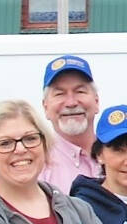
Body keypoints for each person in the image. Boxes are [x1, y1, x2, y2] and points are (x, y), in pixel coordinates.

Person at [38, 54, 102, 194]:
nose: (71, 103)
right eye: (60, 94)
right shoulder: (36, 166)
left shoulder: (116, 157)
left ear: (96, 102)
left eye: (80, 91)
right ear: (46, 107)